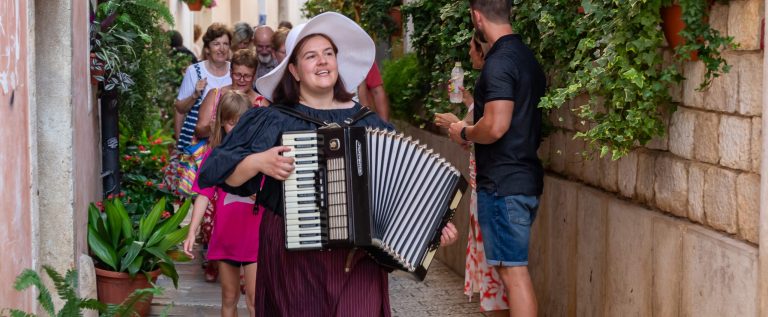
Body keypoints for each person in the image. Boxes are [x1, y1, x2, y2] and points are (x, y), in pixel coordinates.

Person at [197, 12, 458, 316]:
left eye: (328, 54)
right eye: (311, 56)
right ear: (293, 70)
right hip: (294, 255)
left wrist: (432, 228)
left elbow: (404, 190)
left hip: (360, 259)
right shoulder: (274, 119)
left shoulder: (370, 124)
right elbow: (217, 171)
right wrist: (258, 161)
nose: (322, 61)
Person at [447, 1, 546, 316]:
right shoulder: (526, 58)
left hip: (503, 185)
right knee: (511, 270)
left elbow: (496, 125)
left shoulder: (499, 62)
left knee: (512, 273)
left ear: (477, 16)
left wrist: (464, 132)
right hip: (520, 180)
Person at [435, 31, 510, 315]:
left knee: (498, 272)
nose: (469, 54)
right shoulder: (489, 82)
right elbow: (476, 122)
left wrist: (459, 127)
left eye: (471, 48)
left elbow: (480, 131)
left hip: (491, 186)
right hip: (485, 186)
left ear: (482, 49)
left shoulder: (495, 78)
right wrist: (464, 105)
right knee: (492, 269)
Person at [183, 90, 262, 317]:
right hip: (227, 236)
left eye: (241, 122)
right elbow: (203, 194)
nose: (236, 128)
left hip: (256, 237)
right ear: (222, 123)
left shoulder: (261, 155)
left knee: (256, 299)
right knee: (229, 297)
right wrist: (191, 230)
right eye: (230, 122)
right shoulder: (214, 156)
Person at [174, 23, 232, 146]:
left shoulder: (235, 72)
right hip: (197, 146)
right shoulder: (194, 71)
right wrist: (194, 95)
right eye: (216, 44)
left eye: (225, 44)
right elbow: (179, 108)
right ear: (207, 49)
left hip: (227, 144)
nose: (221, 48)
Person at [196, 48, 268, 138]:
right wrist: (218, 125)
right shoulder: (215, 95)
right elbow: (199, 131)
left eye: (247, 76)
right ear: (230, 73)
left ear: (254, 76)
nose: (242, 80)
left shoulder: (261, 103)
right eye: (237, 75)